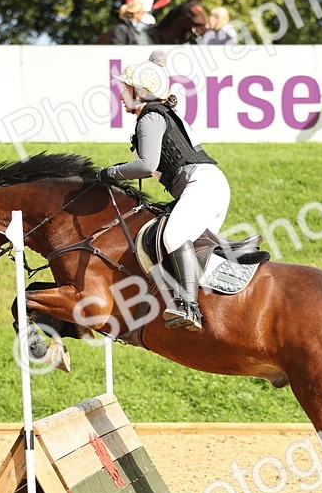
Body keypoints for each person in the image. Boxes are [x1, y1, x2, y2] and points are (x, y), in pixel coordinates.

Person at [86, 61, 229, 331]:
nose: (119, 95)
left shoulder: (150, 116)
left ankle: (189, 307)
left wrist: (107, 173)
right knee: (189, 251)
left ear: (140, 91)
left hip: (201, 184)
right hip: (209, 185)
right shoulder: (160, 112)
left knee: (174, 237)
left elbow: (145, 165)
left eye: (125, 89)